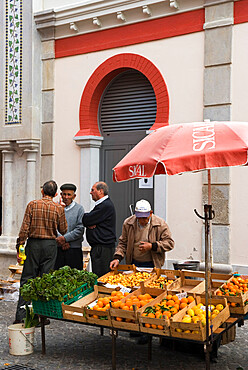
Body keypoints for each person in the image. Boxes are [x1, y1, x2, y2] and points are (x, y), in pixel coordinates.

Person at [14, 180, 67, 324]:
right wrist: (61, 210)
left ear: (42, 191)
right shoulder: (58, 208)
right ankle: (42, 316)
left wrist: (19, 245)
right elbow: (63, 230)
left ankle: (21, 315)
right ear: (56, 194)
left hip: (34, 244)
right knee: (45, 281)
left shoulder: (32, 204)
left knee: (27, 278)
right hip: (50, 245)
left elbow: (25, 227)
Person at [110, 199, 174, 270]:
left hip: (153, 263)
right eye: (139, 218)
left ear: (150, 213)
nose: (142, 221)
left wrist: (152, 246)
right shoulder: (128, 223)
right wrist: (117, 258)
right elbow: (123, 243)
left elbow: (169, 243)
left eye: (144, 218)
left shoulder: (160, 224)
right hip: (133, 263)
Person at [82, 182, 116, 278]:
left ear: (101, 191)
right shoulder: (101, 205)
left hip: (103, 248)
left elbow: (86, 219)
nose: (90, 192)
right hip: (99, 247)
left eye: (93, 190)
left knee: (102, 277)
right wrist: (90, 223)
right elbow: (89, 220)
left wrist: (89, 221)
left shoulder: (105, 205)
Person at [55, 183, 85, 270]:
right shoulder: (56, 208)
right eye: (64, 194)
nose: (66, 197)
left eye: (69, 194)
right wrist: (61, 240)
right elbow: (53, 226)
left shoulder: (79, 209)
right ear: (61, 195)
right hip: (58, 249)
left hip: (74, 249)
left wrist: (65, 239)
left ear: (74, 196)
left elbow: (80, 229)